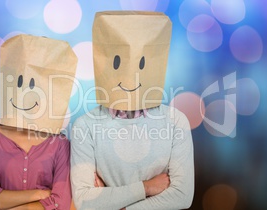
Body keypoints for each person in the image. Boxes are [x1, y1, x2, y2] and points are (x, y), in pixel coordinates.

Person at [70, 11, 194, 209]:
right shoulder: (85, 126)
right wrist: (146, 187)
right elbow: (84, 201)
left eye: (142, 62)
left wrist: (116, 205)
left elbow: (182, 196)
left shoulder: (176, 121)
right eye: (117, 62)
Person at [0, 34, 77, 210]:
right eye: (19, 82)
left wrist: (3, 198)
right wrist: (41, 194)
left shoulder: (60, 144)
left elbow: (61, 204)